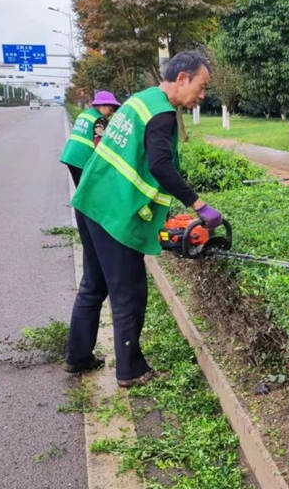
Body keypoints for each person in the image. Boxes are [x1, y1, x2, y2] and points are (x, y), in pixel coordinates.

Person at [64, 51, 222, 387]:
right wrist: (199, 205)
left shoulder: (141, 100)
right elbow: (161, 166)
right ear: (182, 78)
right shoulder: (162, 114)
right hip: (113, 211)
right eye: (202, 85)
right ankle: (131, 370)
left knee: (94, 284)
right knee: (129, 292)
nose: (203, 95)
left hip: (91, 199)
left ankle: (77, 357)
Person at [60, 90, 121, 186]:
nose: (111, 111)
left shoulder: (85, 114)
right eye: (111, 107)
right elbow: (100, 145)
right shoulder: (100, 119)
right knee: (87, 190)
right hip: (82, 159)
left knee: (80, 189)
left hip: (71, 156)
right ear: (102, 106)